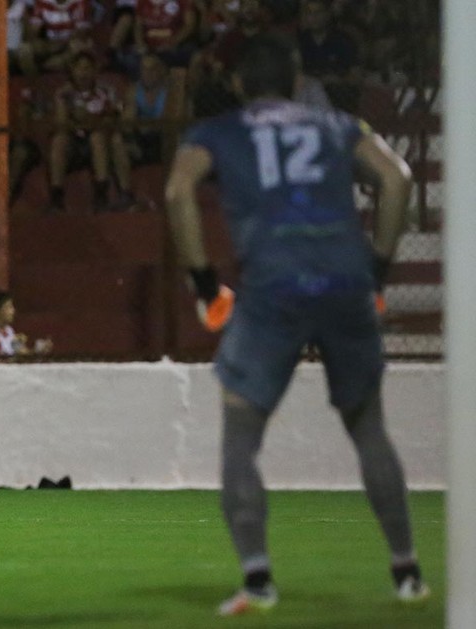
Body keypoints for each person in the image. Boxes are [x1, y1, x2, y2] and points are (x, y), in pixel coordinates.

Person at [163, 33, 429, 616]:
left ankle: (258, 582)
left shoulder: (219, 132)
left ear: (237, 85)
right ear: (296, 79)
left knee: (240, 439)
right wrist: (377, 268)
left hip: (272, 291)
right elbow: (399, 178)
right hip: (346, 284)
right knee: (369, 431)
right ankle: (407, 571)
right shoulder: (338, 124)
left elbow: (178, 189)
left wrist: (206, 283)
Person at [49, 51, 134, 213]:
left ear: (95, 71)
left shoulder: (106, 91)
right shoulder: (64, 93)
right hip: (75, 143)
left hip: (100, 143)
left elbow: (110, 120)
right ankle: (56, 197)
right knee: (59, 140)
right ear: (72, 71)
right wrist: (61, 102)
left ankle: (101, 194)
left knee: (97, 137)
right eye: (79, 69)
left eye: (87, 68)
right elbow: (61, 125)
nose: (83, 73)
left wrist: (88, 119)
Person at [0, 291, 52, 361]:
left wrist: (37, 350)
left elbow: (22, 352)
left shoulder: (9, 331)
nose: (13, 311)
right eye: (8, 307)